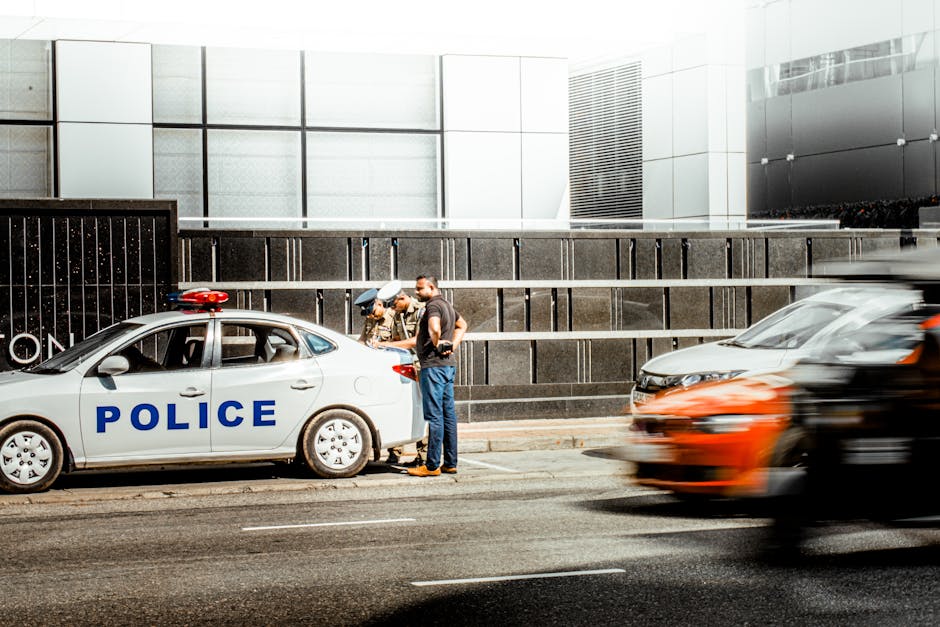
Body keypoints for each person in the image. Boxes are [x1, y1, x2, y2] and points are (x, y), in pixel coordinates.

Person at [407, 275, 468, 477]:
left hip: (433, 367)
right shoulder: (447, 305)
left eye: (419, 288)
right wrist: (452, 345)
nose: (416, 292)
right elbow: (463, 325)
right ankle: (450, 463)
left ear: (431, 287)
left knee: (434, 416)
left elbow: (434, 327)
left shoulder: (433, 306)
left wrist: (438, 342)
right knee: (448, 415)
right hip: (447, 366)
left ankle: (432, 465)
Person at [378, 286, 428, 466]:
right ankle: (397, 451)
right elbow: (396, 339)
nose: (392, 308)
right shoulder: (399, 314)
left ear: (402, 298)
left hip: (421, 367)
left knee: (423, 412)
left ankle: (423, 457)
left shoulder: (421, 311)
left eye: (394, 304)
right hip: (406, 367)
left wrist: (387, 344)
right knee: (405, 408)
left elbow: (416, 341)